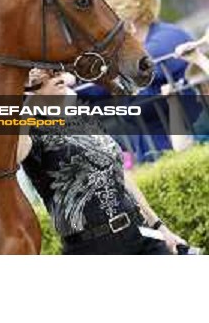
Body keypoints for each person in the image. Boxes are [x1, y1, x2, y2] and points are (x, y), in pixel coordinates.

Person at [18, 68, 188, 255]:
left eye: (56, 69)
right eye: (45, 72)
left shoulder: (81, 114)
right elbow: (17, 155)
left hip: (139, 231)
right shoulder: (27, 129)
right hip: (91, 246)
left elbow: (121, 175)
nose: (56, 74)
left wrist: (159, 227)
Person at [80, 0, 197, 162]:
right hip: (154, 153)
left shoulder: (168, 38)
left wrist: (79, 78)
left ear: (125, 16)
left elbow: (126, 73)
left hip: (186, 147)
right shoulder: (138, 48)